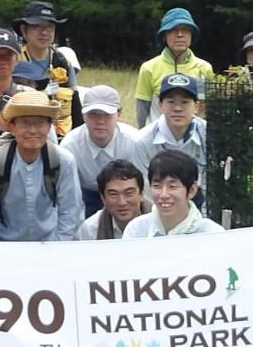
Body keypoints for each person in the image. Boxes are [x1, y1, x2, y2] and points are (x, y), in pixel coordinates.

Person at [0, 90, 82, 241]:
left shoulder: (64, 161)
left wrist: (59, 249)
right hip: (5, 246)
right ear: (12, 127)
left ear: (49, 126)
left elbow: (71, 212)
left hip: (50, 245)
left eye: (39, 123)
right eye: (25, 123)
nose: (33, 130)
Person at [67, 85, 148, 216]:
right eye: (93, 114)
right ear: (83, 116)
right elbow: (70, 196)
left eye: (107, 115)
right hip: (86, 198)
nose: (100, 121)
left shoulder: (135, 141)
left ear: (119, 115)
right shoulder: (70, 146)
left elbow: (143, 186)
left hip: (126, 197)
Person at [133, 7, 213, 126]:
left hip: (193, 139)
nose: (180, 34)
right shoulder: (149, 68)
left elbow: (206, 109)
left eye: (185, 30)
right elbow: (142, 110)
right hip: (157, 138)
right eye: (173, 30)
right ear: (164, 36)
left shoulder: (204, 68)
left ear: (191, 35)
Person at [124, 148, 220, 236]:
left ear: (192, 190)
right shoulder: (137, 230)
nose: (164, 195)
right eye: (157, 186)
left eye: (172, 186)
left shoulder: (212, 233)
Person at [138, 73, 208, 188]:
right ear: (160, 105)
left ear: (196, 106)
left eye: (184, 102)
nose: (177, 108)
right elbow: (145, 190)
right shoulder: (142, 141)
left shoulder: (208, 135)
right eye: (171, 102)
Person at [16, 0, 82, 105]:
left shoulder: (63, 62)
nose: (44, 32)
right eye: (37, 26)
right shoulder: (12, 60)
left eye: (50, 27)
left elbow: (74, 101)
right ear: (24, 30)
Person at [80, 159, 148, 240]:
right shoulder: (90, 230)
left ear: (141, 194)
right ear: (103, 198)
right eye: (113, 194)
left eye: (129, 193)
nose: (122, 202)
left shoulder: (159, 221)